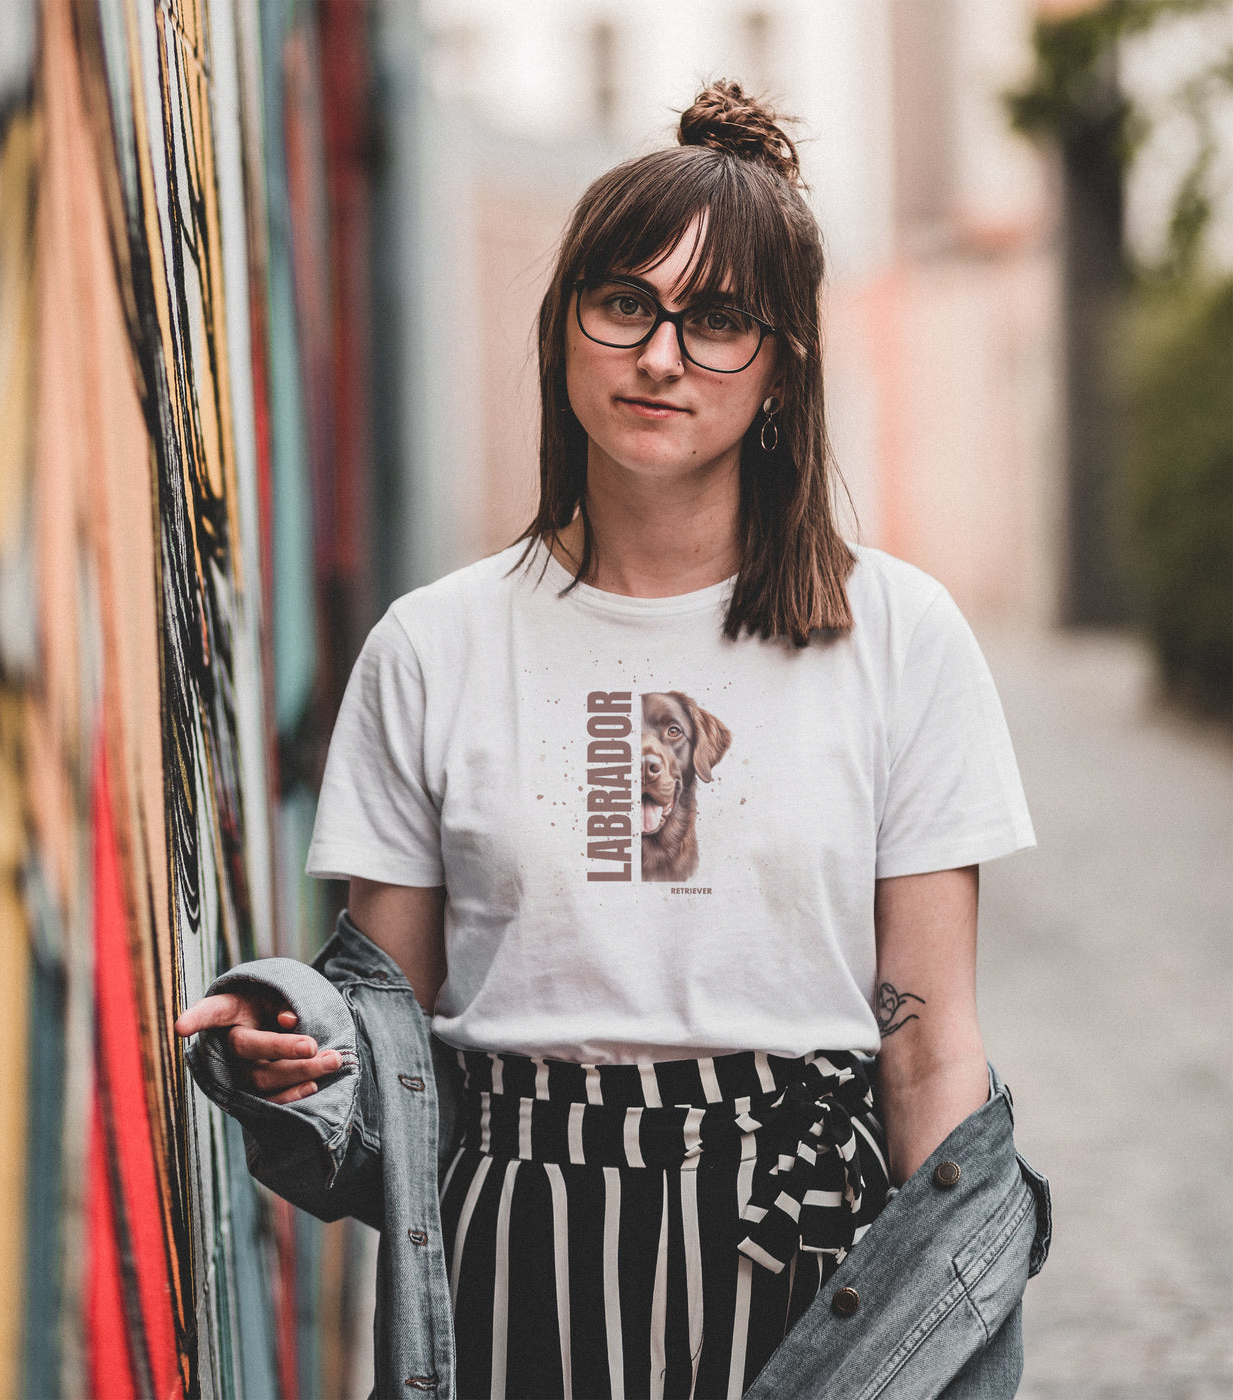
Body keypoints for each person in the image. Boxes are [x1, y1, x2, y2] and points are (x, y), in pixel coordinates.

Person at [176, 80, 1047, 1399]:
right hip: (515, 1252)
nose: (660, 356)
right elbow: (385, 1023)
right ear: (566, 328)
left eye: (719, 322)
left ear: (782, 368)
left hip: (813, 1259)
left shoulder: (901, 636)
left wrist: (953, 1331)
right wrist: (292, 1043)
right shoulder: (435, 647)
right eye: (626, 304)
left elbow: (928, 1048)